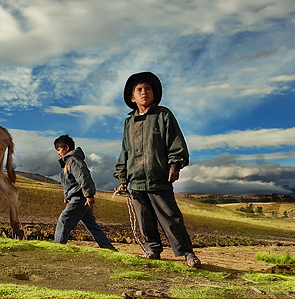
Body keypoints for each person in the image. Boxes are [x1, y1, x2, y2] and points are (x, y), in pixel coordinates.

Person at [114, 71, 201, 268]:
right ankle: (152, 249)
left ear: (154, 94)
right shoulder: (129, 122)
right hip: (135, 179)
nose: (144, 92)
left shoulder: (163, 115)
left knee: (171, 218)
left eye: (148, 89)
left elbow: (175, 142)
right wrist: (122, 176)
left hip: (159, 176)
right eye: (139, 90)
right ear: (132, 97)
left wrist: (175, 164)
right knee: (144, 219)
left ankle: (187, 253)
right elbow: (125, 150)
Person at [54, 134, 116, 250]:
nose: (58, 153)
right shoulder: (68, 163)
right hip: (78, 197)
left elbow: (83, 177)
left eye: (59, 149)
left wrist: (89, 195)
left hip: (79, 198)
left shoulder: (73, 161)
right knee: (91, 224)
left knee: (64, 219)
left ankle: (58, 245)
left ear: (66, 148)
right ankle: (107, 246)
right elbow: (71, 182)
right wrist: (66, 195)